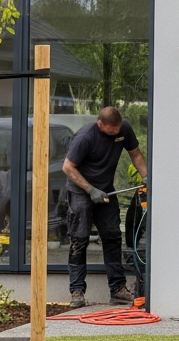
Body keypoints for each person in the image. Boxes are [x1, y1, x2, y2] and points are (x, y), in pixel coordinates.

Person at [62, 106, 149, 308]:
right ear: (100, 124)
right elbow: (67, 167)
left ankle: (118, 289)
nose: (117, 132)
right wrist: (91, 190)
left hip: (106, 191)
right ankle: (77, 292)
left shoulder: (123, 129)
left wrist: (146, 176)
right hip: (81, 190)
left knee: (112, 237)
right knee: (79, 240)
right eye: (112, 129)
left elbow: (135, 154)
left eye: (119, 127)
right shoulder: (85, 137)